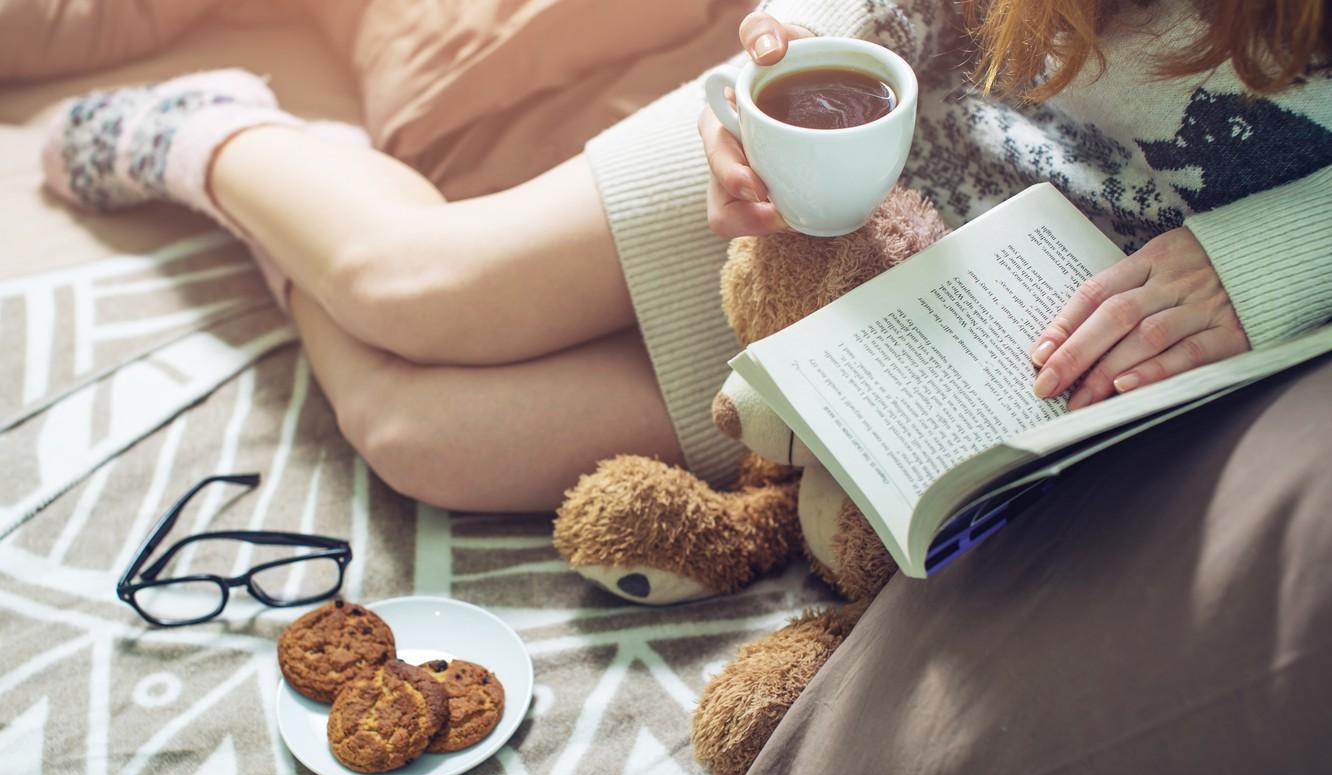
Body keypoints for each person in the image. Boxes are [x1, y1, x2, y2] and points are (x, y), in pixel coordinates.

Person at [40, 0, 1330, 517]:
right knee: (409, 291)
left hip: (983, 330)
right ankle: (213, 140)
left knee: (419, 433)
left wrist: (1276, 260)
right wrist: (789, 49)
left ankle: (284, 196)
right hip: (854, 149)